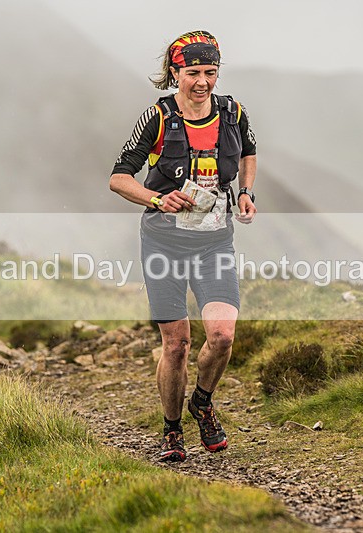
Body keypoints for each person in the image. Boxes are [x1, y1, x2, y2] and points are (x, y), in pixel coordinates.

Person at [109, 30, 257, 462]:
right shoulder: (157, 117)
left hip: (215, 242)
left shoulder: (233, 112)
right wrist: (157, 198)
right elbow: (118, 178)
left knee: (223, 336)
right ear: (175, 72)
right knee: (176, 344)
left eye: (211, 72)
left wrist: (246, 193)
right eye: (193, 72)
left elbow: (249, 153)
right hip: (164, 243)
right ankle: (172, 429)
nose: (203, 82)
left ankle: (203, 403)